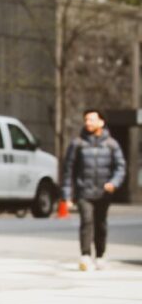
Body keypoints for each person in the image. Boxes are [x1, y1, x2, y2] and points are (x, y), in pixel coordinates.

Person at [61, 108, 126, 271]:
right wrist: (67, 196)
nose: (88, 123)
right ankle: (85, 256)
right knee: (87, 221)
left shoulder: (111, 144)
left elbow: (121, 167)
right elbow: (68, 170)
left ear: (101, 122)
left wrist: (114, 183)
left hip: (104, 193)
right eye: (86, 120)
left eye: (91, 119)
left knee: (101, 224)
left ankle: (100, 256)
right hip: (84, 191)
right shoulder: (77, 144)